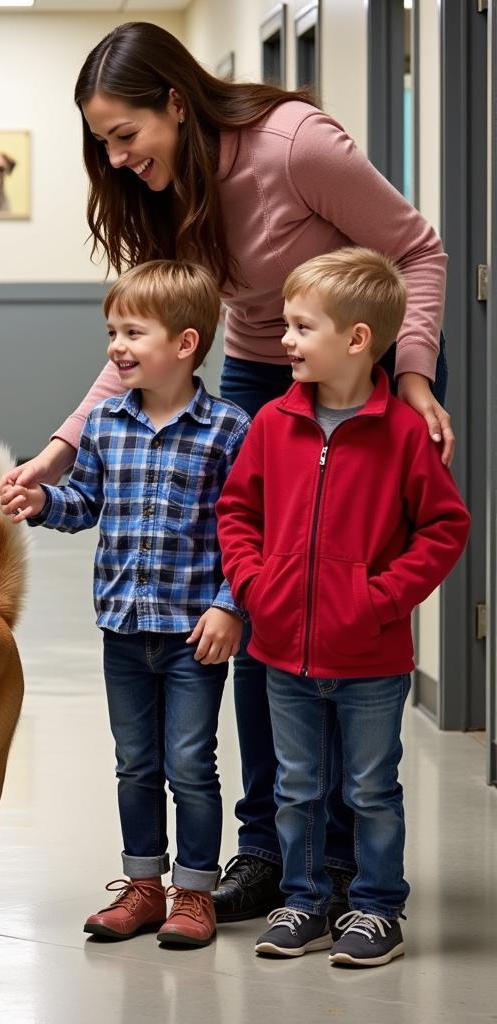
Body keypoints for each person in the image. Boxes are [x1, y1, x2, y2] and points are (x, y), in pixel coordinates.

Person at [1, 21, 452, 926]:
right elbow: (131, 359)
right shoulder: (172, 188)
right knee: (251, 609)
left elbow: (417, 250)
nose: (118, 158)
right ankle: (265, 851)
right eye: (103, 145)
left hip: (360, 365)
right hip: (251, 363)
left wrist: (411, 380)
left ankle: (334, 855)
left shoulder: (295, 148)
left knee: (322, 597)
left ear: (175, 100)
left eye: (126, 135)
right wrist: (60, 449)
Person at [216, 247, 469, 966]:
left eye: (300, 327)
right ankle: (304, 903)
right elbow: (237, 511)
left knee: (370, 790)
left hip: (370, 658)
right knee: (295, 787)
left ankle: (376, 909)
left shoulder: (403, 434)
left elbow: (446, 527)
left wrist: (380, 599)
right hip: (281, 653)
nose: (284, 340)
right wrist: (254, 586)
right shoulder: (271, 422)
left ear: (357, 340)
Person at [2, 260, 249, 948]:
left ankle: (195, 892)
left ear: (186, 343)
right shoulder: (106, 424)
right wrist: (44, 501)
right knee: (135, 763)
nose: (116, 345)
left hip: (191, 633)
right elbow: (86, 503)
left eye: (133, 331)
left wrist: (231, 605)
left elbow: (247, 531)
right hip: (123, 628)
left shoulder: (229, 429)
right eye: (112, 330)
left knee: (190, 764)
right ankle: (143, 886)